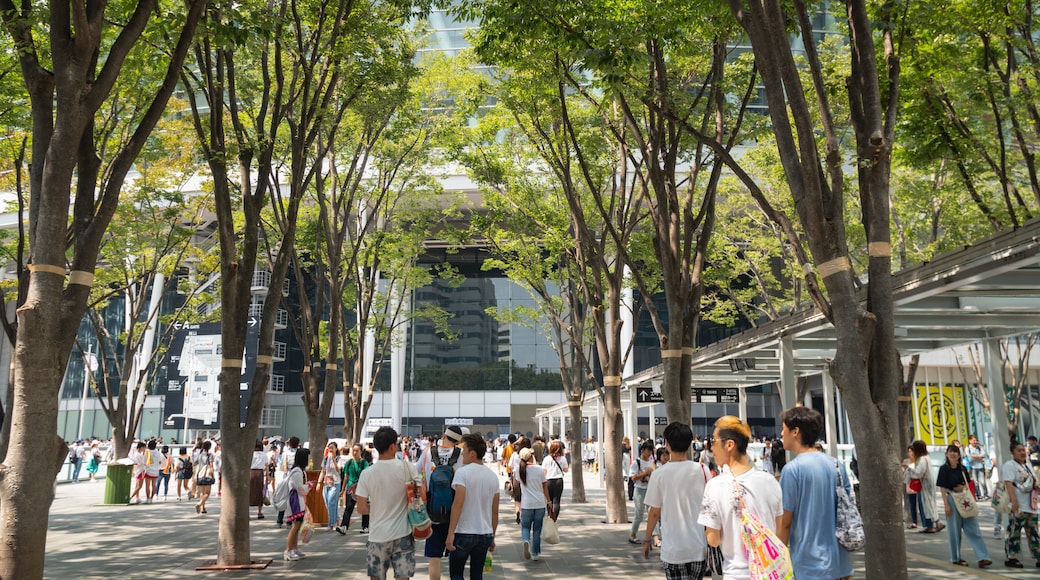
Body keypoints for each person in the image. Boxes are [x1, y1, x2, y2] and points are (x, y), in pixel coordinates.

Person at [699, 416, 783, 579]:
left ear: (729, 444)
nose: (711, 447)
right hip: (771, 572)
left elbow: (713, 539)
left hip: (736, 574)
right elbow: (778, 532)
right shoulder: (770, 481)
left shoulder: (715, 486)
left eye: (713, 441)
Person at [777, 407, 853, 580]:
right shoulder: (836, 465)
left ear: (795, 431)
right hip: (841, 562)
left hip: (809, 564)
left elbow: (785, 523)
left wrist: (778, 560)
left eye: (784, 429)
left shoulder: (792, 470)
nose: (782, 434)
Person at [641, 422, 710, 580]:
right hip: (699, 548)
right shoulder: (702, 470)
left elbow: (654, 513)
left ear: (667, 443)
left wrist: (647, 539)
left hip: (673, 551)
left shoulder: (659, 474)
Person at [356, 426, 418, 580]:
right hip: (403, 533)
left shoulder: (367, 473)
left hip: (378, 535)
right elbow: (420, 496)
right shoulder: (407, 468)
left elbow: (361, 508)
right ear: (392, 446)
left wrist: (377, 507)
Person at [445, 433, 500, 580]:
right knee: (477, 575)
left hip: (463, 532)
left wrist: (450, 533)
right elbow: (495, 512)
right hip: (484, 534)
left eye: (464, 450)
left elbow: (458, 504)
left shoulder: (462, 473)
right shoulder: (493, 477)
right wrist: (492, 536)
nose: (462, 454)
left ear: (472, 453)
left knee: (456, 574)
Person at [414, 426, 466, 580]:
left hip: (433, 509)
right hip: (456, 511)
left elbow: (416, 472)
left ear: (444, 436)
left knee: (434, 557)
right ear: (459, 440)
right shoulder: (462, 454)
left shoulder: (429, 452)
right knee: (455, 556)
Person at [936, 444, 991, 568]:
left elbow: (968, 484)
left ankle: (983, 557)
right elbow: (942, 488)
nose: (953, 454)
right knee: (954, 531)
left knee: (974, 529)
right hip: (951, 499)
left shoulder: (962, 469)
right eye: (951, 452)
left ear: (959, 455)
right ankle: (955, 557)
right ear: (946, 454)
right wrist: (946, 505)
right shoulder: (944, 469)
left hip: (965, 499)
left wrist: (963, 488)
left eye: (956, 452)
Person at [1001, 442, 1040, 568]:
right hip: (1019, 505)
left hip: (1031, 505)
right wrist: (1014, 501)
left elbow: (1032, 481)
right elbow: (1008, 483)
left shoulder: (1027, 465)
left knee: (1033, 531)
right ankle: (1011, 558)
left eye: (1023, 450)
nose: (1022, 452)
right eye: (1019, 450)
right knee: (1014, 531)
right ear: (1012, 452)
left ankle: (1038, 556)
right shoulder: (1009, 465)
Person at [516, 447, 551, 561]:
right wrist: (549, 501)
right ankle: (535, 553)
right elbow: (545, 486)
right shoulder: (539, 469)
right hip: (539, 503)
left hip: (526, 504)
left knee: (525, 527)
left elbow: (516, 486)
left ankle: (526, 540)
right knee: (537, 529)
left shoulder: (519, 470)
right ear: (531, 456)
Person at [283, 447, 313, 561]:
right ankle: (288, 550)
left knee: (298, 524)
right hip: (295, 500)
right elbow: (299, 488)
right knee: (295, 526)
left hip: (298, 499)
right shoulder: (297, 471)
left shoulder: (298, 470)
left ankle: (294, 548)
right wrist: (309, 486)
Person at [906, 440, 942, 533]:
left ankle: (929, 526)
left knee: (925, 505)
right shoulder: (927, 457)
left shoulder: (922, 459)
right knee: (930, 504)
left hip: (924, 485)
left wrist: (910, 468)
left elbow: (919, 472)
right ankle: (937, 522)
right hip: (928, 484)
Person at [340, 443, 371, 534]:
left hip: (361, 488)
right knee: (348, 507)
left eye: (357, 450)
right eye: (353, 450)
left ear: (361, 451)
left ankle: (365, 526)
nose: (354, 452)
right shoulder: (349, 463)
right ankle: (344, 526)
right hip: (350, 488)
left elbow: (366, 475)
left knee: (364, 507)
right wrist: (342, 489)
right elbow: (346, 476)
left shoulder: (364, 463)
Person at [628, 442, 655, 544]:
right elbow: (633, 477)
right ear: (642, 450)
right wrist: (645, 473)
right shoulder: (636, 463)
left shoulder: (652, 463)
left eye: (650, 451)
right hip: (639, 490)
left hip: (650, 490)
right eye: (647, 450)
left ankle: (656, 536)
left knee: (652, 513)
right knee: (639, 514)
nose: (649, 453)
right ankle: (633, 534)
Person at [277, 436, 301, 528]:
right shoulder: (300, 452)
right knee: (294, 499)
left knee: (284, 498)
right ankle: (290, 521)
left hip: (287, 476)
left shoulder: (285, 453)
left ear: (289, 444)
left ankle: (279, 521)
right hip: (297, 477)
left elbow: (283, 467)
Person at [541, 440, 568, 521]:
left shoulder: (547, 459)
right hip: (559, 481)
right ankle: (554, 518)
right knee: (557, 501)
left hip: (549, 480)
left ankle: (550, 515)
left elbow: (544, 471)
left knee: (549, 500)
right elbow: (566, 470)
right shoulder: (563, 458)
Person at [321, 441, 343, 532]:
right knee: (327, 504)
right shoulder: (325, 459)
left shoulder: (339, 459)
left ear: (336, 449)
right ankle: (337, 518)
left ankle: (331, 524)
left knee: (331, 503)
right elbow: (323, 471)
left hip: (335, 483)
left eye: (332, 448)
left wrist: (333, 460)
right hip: (326, 483)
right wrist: (319, 483)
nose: (330, 450)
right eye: (329, 448)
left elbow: (338, 470)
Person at [903, 446, 923, 529]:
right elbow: (904, 473)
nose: (911, 453)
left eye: (912, 451)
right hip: (910, 484)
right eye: (909, 451)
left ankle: (923, 520)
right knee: (912, 504)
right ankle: (914, 521)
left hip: (918, 484)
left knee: (921, 504)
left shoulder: (919, 461)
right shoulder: (906, 461)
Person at [194, 440, 215, 514]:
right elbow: (211, 466)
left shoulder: (199, 455)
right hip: (207, 475)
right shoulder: (210, 455)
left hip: (199, 475)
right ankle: (199, 504)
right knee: (207, 493)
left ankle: (203, 508)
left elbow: (194, 463)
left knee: (202, 492)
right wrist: (212, 474)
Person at [966, 435, 989, 499]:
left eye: (976, 440)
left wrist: (975, 456)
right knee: (975, 482)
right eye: (973, 440)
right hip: (973, 467)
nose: (975, 442)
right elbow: (970, 458)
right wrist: (978, 457)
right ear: (970, 441)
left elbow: (983, 455)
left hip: (980, 466)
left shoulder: (979, 448)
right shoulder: (968, 448)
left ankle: (985, 494)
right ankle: (978, 495)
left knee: (983, 481)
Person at [250, 440, 268, 519]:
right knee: (260, 491)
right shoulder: (264, 455)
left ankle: (247, 512)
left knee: (249, 491)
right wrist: (267, 476)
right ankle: (259, 512)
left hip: (250, 472)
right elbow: (266, 466)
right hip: (260, 473)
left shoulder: (250, 454)